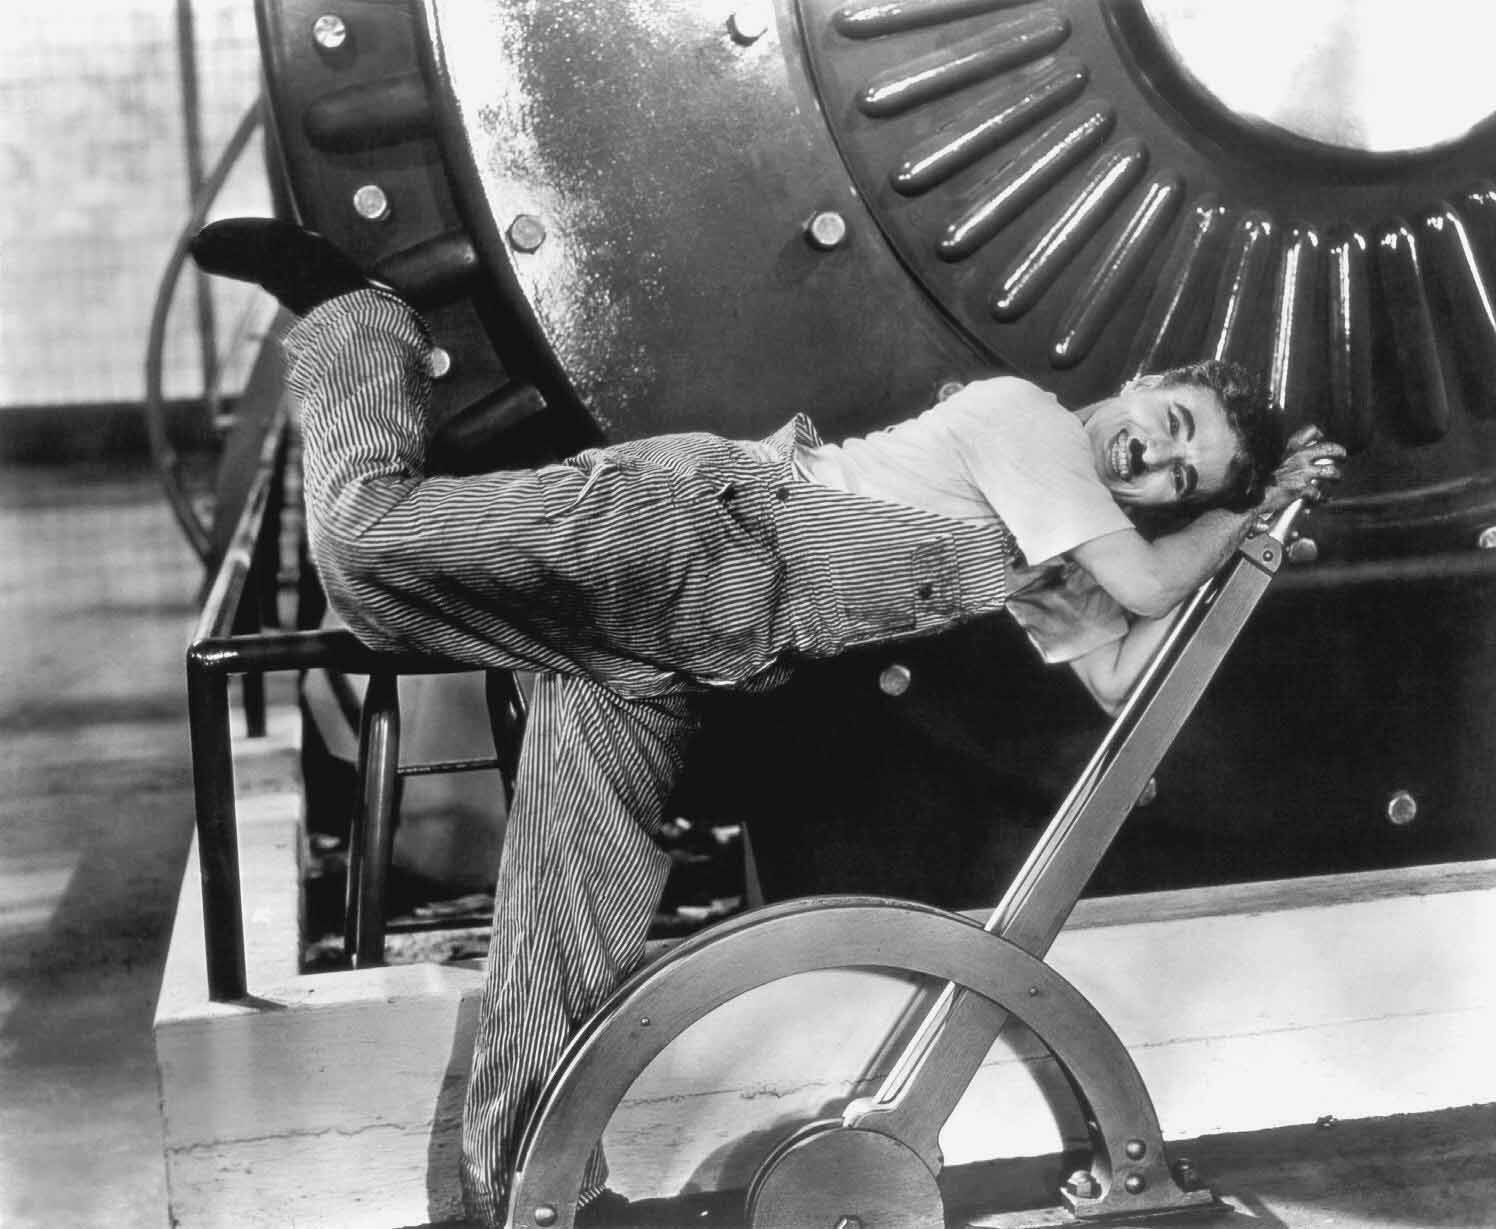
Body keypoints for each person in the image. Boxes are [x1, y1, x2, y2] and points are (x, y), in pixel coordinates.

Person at [192, 219, 1344, 1227]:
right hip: (689, 529)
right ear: (1142, 380)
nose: (1159, 458)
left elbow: (1119, 672)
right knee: (366, 551)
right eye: (1175, 418)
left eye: (1180, 477)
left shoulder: (1056, 544)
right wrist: (1242, 520)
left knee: (572, 897)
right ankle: (357, 317)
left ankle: (533, 1190)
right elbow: (1146, 589)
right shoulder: (1026, 420)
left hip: (685, 648)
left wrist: (1249, 545)